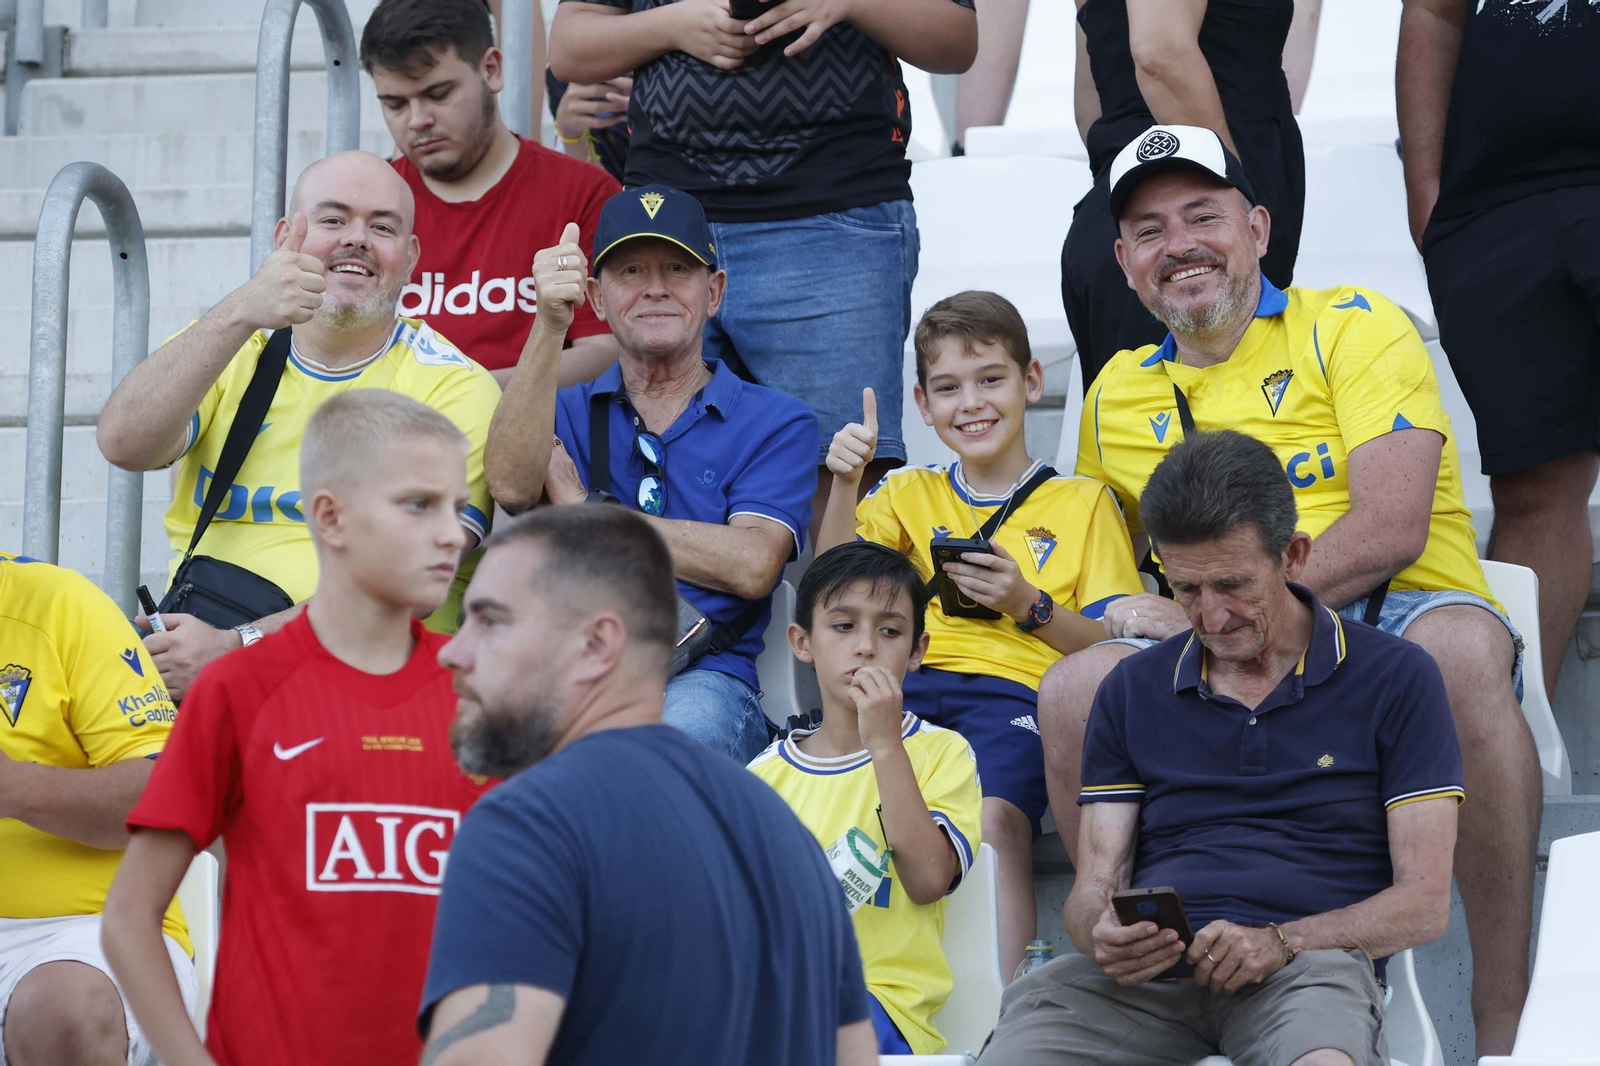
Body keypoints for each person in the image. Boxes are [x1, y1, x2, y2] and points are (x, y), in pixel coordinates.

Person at [1042, 124, 1539, 1056]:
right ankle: (1147, 961)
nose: (1178, 244)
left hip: (1398, 603)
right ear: (1122, 261)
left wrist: (1254, 606)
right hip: (1219, 623)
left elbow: (1392, 526)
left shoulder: (1353, 322)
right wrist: (1130, 612)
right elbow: (1110, 569)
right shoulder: (1114, 391)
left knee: (1459, 655)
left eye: (1203, 215)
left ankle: (1503, 1026)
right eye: (1148, 230)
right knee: (1078, 686)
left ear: (1260, 227)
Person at [979, 430, 1463, 1066]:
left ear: (1293, 556)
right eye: (1185, 590)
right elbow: (1094, 887)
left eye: (1232, 585)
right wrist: (1102, 933)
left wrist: (1281, 941)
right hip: (1145, 985)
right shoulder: (1132, 687)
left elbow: (1424, 907)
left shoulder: (1395, 676)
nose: (1208, 617)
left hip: (1306, 971)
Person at [101, 391, 495, 1066]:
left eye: (457, 509)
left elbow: (527, 922)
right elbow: (129, 919)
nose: (452, 535)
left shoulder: (483, 695)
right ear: (330, 517)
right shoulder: (239, 690)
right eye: (418, 505)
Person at [420, 506, 876, 1066]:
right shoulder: (790, 840)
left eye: (490, 621)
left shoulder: (533, 823)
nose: (451, 650)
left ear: (596, 644)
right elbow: (856, 1056)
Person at [549, 0, 979, 543]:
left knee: (843, 480)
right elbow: (567, 45)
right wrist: (674, 24)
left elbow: (958, 40)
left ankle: (830, 629)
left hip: (834, 209)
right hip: (670, 217)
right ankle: (678, 631)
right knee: (659, 470)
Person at [816, 290, 1142, 978]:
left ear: (1031, 382)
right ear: (923, 404)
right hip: (905, 690)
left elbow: (1117, 654)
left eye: (991, 378)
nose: (972, 402)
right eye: (948, 388)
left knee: (991, 825)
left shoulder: (1083, 502)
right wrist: (845, 483)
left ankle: (1003, 1010)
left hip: (1017, 700)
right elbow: (833, 593)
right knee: (849, 818)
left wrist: (1030, 605)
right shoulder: (905, 492)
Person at [96, 149, 501, 700]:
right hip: (201, 657)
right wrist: (243, 308)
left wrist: (236, 646)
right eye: (333, 219)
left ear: (410, 257)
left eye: (382, 227)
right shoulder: (229, 343)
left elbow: (410, 582)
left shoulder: (453, 385)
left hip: (371, 685)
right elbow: (123, 442)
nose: (356, 239)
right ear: (287, 235)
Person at [484, 185, 817, 764]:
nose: (655, 288)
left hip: (703, 682)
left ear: (714, 292)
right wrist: (547, 322)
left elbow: (752, 565)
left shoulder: (777, 420)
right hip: (567, 668)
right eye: (631, 270)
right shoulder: (560, 405)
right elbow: (511, 488)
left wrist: (588, 513)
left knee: (657, 756)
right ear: (596, 297)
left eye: (677, 269)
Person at [1398, 0, 1600, 699]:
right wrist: (1430, 201)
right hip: (1498, 208)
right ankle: (1519, 738)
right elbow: (1435, 11)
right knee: (1535, 485)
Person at [749, 542, 983, 1056]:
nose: (866, 647)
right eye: (843, 626)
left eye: (890, 630)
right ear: (801, 641)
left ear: (917, 651)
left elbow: (926, 880)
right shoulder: (760, 779)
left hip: (884, 1007)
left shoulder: (943, 753)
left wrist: (883, 743)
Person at [363, 0, 623, 387]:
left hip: (540, 439)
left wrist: (455, 396)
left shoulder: (583, 192)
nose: (418, 120)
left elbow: (605, 352)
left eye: (438, 94)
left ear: (492, 69)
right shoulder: (366, 203)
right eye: (395, 104)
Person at [0, 552, 192, 1066]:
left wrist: (13, 786)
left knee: (66, 1010)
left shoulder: (57, 603)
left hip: (77, 930)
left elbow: (165, 791)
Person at [1067, 0, 1306, 386]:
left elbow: (1092, 100)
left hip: (1124, 218)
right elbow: (1159, 55)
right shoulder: (1220, 208)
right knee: (1209, 437)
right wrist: (1227, 196)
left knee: (1141, 439)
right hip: (1196, 227)